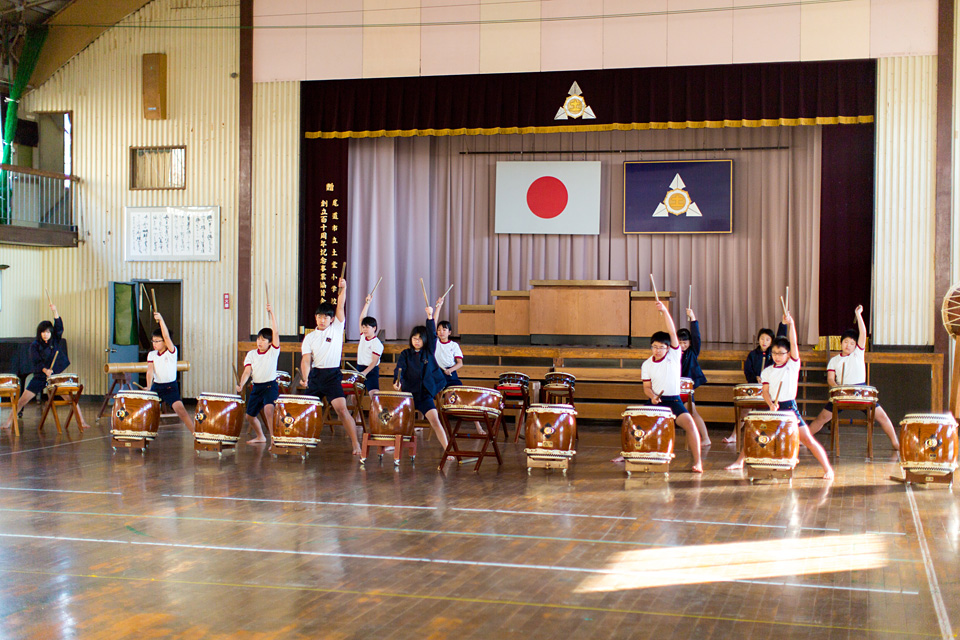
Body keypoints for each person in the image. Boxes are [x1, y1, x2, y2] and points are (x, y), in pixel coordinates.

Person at [725, 312, 834, 479]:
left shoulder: (793, 365)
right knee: (755, 435)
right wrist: (770, 404)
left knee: (808, 440)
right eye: (774, 353)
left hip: (789, 408)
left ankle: (827, 469)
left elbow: (794, 343)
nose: (777, 356)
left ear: (788, 354)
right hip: (774, 408)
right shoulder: (767, 371)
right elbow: (765, 392)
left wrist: (791, 324)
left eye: (781, 353)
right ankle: (740, 461)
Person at [806, 305, 899, 451]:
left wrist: (858, 314)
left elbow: (863, 333)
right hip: (842, 393)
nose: (848, 345)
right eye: (845, 342)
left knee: (882, 417)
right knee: (822, 418)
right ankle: (804, 440)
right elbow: (830, 379)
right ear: (841, 343)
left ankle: (895, 443)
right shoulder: (834, 361)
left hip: (861, 392)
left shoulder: (858, 354)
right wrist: (836, 387)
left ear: (856, 345)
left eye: (852, 343)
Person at [633, 302, 703, 472]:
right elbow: (646, 387)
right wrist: (652, 397)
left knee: (690, 424)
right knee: (635, 423)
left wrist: (664, 311)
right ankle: (630, 454)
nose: (657, 350)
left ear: (668, 347)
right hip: (657, 401)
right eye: (654, 347)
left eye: (661, 347)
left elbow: (672, 331)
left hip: (674, 401)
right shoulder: (646, 364)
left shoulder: (674, 354)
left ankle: (698, 462)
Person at [2, 302, 90, 430]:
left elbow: (59, 327)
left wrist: (55, 311)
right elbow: (36, 362)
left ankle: (82, 422)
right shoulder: (35, 345)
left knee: (71, 399)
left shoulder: (55, 340)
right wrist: (45, 370)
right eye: (43, 332)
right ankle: (8, 422)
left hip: (54, 377)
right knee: (22, 400)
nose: (45, 334)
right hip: (40, 377)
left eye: (48, 332)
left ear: (51, 333)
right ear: (39, 333)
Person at [299, 278, 362, 455]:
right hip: (315, 376)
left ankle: (356, 444)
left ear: (332, 319)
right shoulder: (309, 338)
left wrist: (344, 288)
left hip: (332, 375)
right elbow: (306, 360)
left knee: (341, 409)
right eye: (319, 316)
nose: (322, 320)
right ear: (315, 318)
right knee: (307, 410)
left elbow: (340, 306)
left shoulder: (336, 329)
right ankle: (302, 443)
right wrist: (305, 378)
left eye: (326, 317)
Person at [393, 299, 450, 452]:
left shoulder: (428, 351)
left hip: (425, 395)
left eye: (419, 339)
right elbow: (399, 369)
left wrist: (430, 317)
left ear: (424, 340)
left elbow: (432, 335)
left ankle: (447, 449)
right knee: (398, 421)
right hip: (408, 395)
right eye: (414, 338)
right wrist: (397, 381)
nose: (416, 341)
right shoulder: (405, 354)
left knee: (435, 421)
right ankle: (392, 445)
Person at [723, 322, 787, 443]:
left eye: (768, 339)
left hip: (770, 390)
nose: (764, 342)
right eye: (762, 338)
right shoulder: (753, 355)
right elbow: (748, 371)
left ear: (772, 341)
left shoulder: (774, 355)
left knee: (774, 411)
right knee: (744, 411)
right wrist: (755, 378)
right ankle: (734, 435)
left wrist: (783, 324)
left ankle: (775, 438)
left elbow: (781, 338)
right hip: (755, 388)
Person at [435, 300, 485, 436]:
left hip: (450, 375)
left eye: (444, 330)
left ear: (449, 332)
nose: (441, 332)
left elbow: (460, 363)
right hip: (437, 374)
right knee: (426, 394)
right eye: (439, 330)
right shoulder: (435, 343)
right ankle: (424, 424)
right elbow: (431, 323)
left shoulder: (454, 345)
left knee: (464, 397)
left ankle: (478, 426)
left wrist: (450, 370)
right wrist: (438, 307)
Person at [236, 301, 280, 444]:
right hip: (257, 387)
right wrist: (241, 384)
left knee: (269, 410)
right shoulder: (251, 354)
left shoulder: (273, 352)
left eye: (263, 340)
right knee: (249, 416)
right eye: (258, 339)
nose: (260, 342)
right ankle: (261, 436)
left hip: (270, 386)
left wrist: (272, 313)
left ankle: (274, 440)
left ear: (270, 342)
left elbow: (275, 332)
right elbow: (247, 371)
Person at [147, 312, 195, 432]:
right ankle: (144, 436)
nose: (154, 344)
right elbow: (150, 371)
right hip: (156, 387)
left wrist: (161, 320)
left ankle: (196, 434)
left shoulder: (172, 352)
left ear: (164, 342)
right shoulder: (152, 354)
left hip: (170, 387)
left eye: (157, 341)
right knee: (147, 410)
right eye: (153, 341)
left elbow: (166, 336)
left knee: (181, 410)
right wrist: (148, 386)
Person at [678, 308, 710, 446]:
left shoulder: (692, 352)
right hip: (673, 390)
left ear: (690, 343)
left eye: (685, 342)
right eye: (679, 342)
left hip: (686, 390)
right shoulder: (672, 353)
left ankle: (705, 438)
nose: (682, 345)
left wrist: (693, 318)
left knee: (693, 413)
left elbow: (696, 336)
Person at [356, 294, 383, 391]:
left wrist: (365, 373)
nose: (364, 329)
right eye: (363, 327)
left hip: (371, 370)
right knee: (354, 395)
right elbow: (361, 319)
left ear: (374, 328)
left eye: (367, 327)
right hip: (360, 368)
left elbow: (374, 362)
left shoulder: (377, 343)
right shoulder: (363, 337)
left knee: (374, 394)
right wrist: (367, 303)